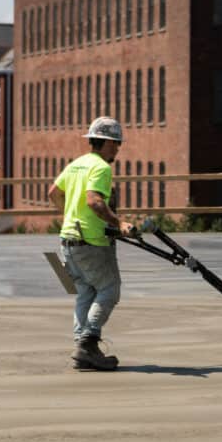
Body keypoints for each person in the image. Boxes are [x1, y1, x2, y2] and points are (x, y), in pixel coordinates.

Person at [48, 116, 134, 371]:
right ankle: (88, 341)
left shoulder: (77, 164)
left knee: (85, 291)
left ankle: (82, 347)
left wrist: (67, 217)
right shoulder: (101, 168)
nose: (118, 148)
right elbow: (94, 201)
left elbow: (53, 192)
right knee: (110, 289)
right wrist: (119, 223)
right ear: (105, 142)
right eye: (115, 143)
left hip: (68, 240)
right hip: (91, 241)